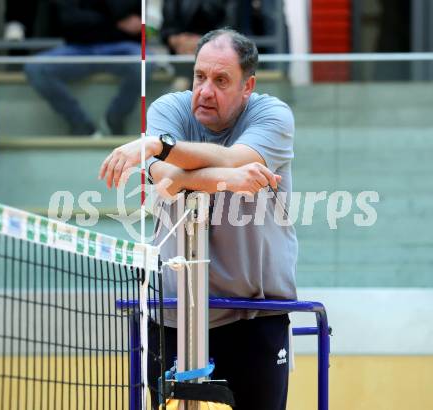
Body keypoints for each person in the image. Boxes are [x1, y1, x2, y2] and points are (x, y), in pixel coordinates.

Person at [99, 29, 298, 410]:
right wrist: (228, 180)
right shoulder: (168, 109)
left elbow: (233, 158)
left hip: (254, 315)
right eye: (199, 76)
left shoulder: (273, 115)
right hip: (174, 314)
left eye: (221, 80)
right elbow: (167, 181)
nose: (205, 91)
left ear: (247, 86)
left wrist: (161, 147)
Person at [25, 0, 143, 136]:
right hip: (77, 48)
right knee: (36, 68)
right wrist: (115, 20)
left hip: (120, 47)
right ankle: (81, 124)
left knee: (146, 60)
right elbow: (69, 21)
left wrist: (101, 18)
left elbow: (137, 22)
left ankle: (114, 118)